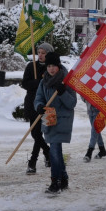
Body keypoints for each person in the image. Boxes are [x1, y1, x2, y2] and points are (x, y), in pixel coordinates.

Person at [34, 53, 76, 195]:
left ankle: (55, 181)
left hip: (62, 120)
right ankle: (63, 178)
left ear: (59, 66)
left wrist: (62, 92)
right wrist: (39, 106)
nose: (51, 69)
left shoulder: (66, 81)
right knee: (56, 151)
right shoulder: (44, 81)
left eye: (54, 66)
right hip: (49, 119)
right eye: (49, 66)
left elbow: (72, 103)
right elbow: (38, 97)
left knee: (54, 151)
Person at [21, 42, 52, 174]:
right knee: (35, 134)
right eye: (39, 52)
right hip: (32, 104)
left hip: (47, 105)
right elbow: (25, 84)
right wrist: (37, 82)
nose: (40, 55)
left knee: (43, 133)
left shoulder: (51, 68)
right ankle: (48, 153)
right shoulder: (31, 66)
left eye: (43, 53)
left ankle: (33, 162)